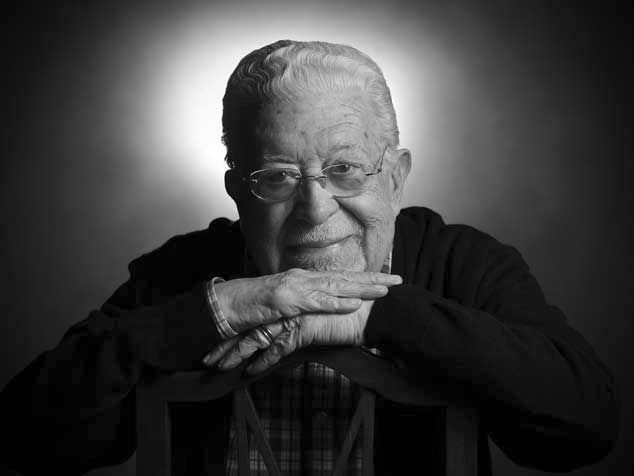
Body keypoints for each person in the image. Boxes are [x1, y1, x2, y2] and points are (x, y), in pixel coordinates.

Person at [0, 40, 619, 476]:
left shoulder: (464, 263)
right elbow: (28, 440)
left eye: (345, 169)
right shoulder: (181, 273)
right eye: (277, 177)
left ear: (395, 179)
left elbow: (584, 430)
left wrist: (370, 316)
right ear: (238, 192)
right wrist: (213, 312)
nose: (315, 209)